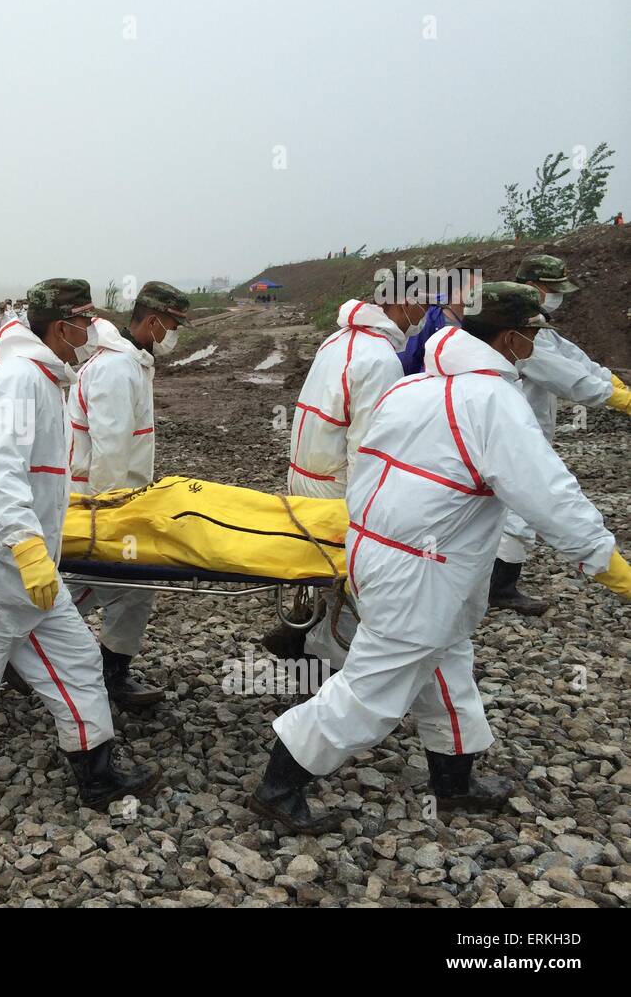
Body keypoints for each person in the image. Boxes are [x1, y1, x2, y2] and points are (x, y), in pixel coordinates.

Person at [249, 284, 631, 834]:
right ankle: (279, 785)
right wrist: (605, 560)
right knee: (374, 689)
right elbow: (550, 496)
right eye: (531, 335)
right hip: (418, 572)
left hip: (390, 554)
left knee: (448, 661)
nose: (533, 346)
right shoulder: (494, 403)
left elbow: (367, 465)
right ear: (508, 337)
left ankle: (454, 780)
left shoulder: (414, 387)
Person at [0, 279, 161, 831]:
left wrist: (36, 557)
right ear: (62, 327)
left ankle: (96, 774)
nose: (92, 334)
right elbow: (0, 471)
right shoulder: (16, 382)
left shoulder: (44, 382)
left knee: (79, 662)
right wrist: (28, 548)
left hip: (28, 572)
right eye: (85, 324)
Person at [263, 282, 428, 668]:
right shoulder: (380, 359)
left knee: (324, 571)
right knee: (351, 581)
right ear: (403, 302)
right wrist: (372, 512)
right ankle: (331, 670)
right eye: (422, 304)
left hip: (308, 474)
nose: (425, 315)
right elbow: (367, 447)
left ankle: (306, 636)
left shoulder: (338, 340)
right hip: (337, 484)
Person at [68, 281, 191, 708]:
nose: (175, 333)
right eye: (173, 324)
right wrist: (108, 514)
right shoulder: (116, 370)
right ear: (154, 321)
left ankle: (110, 668)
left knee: (132, 584)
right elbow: (108, 450)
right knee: (105, 583)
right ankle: (26, 642)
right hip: (103, 500)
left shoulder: (132, 364)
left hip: (126, 497)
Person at [486, 255, 631, 614]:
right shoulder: (517, 335)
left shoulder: (537, 328)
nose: (557, 297)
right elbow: (570, 378)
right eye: (553, 290)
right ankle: (498, 587)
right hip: (516, 434)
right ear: (534, 286)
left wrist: (616, 384)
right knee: (523, 509)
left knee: (509, 510)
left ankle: (494, 582)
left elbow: (580, 362)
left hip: (528, 430)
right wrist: (620, 400)